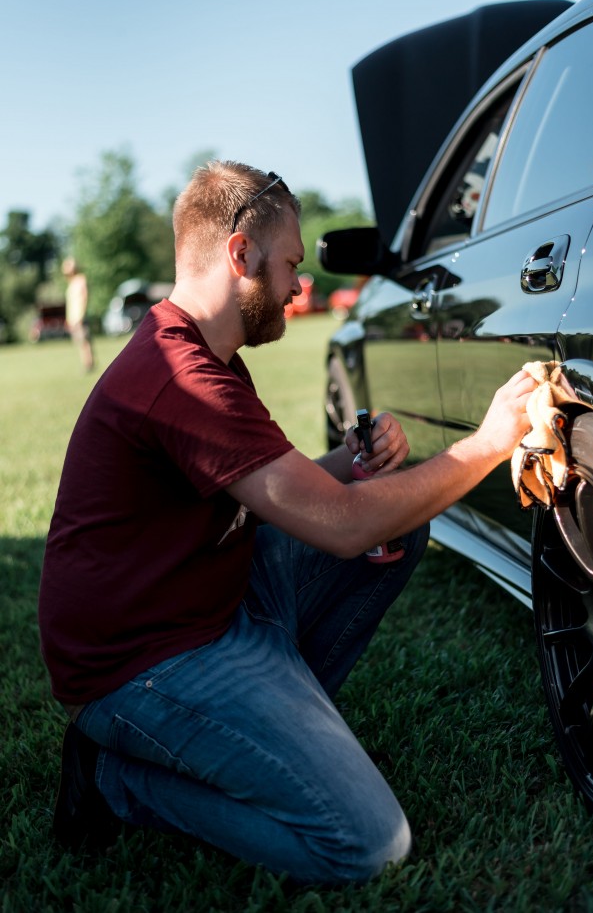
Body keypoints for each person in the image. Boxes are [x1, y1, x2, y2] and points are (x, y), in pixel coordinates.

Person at [39, 161, 535, 885]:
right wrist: (490, 441)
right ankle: (119, 781)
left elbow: (267, 487)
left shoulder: (205, 354)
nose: (299, 286)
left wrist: (349, 460)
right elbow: (337, 526)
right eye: (290, 265)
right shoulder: (179, 376)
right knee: (366, 844)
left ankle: (275, 725)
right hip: (141, 664)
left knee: (398, 526)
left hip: (208, 603)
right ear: (240, 253)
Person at [62, 256, 94, 372]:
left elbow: (84, 298)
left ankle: (89, 365)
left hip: (79, 317)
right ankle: (86, 364)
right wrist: (68, 318)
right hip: (73, 318)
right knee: (80, 342)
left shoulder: (81, 280)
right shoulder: (70, 283)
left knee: (85, 341)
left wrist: (81, 315)